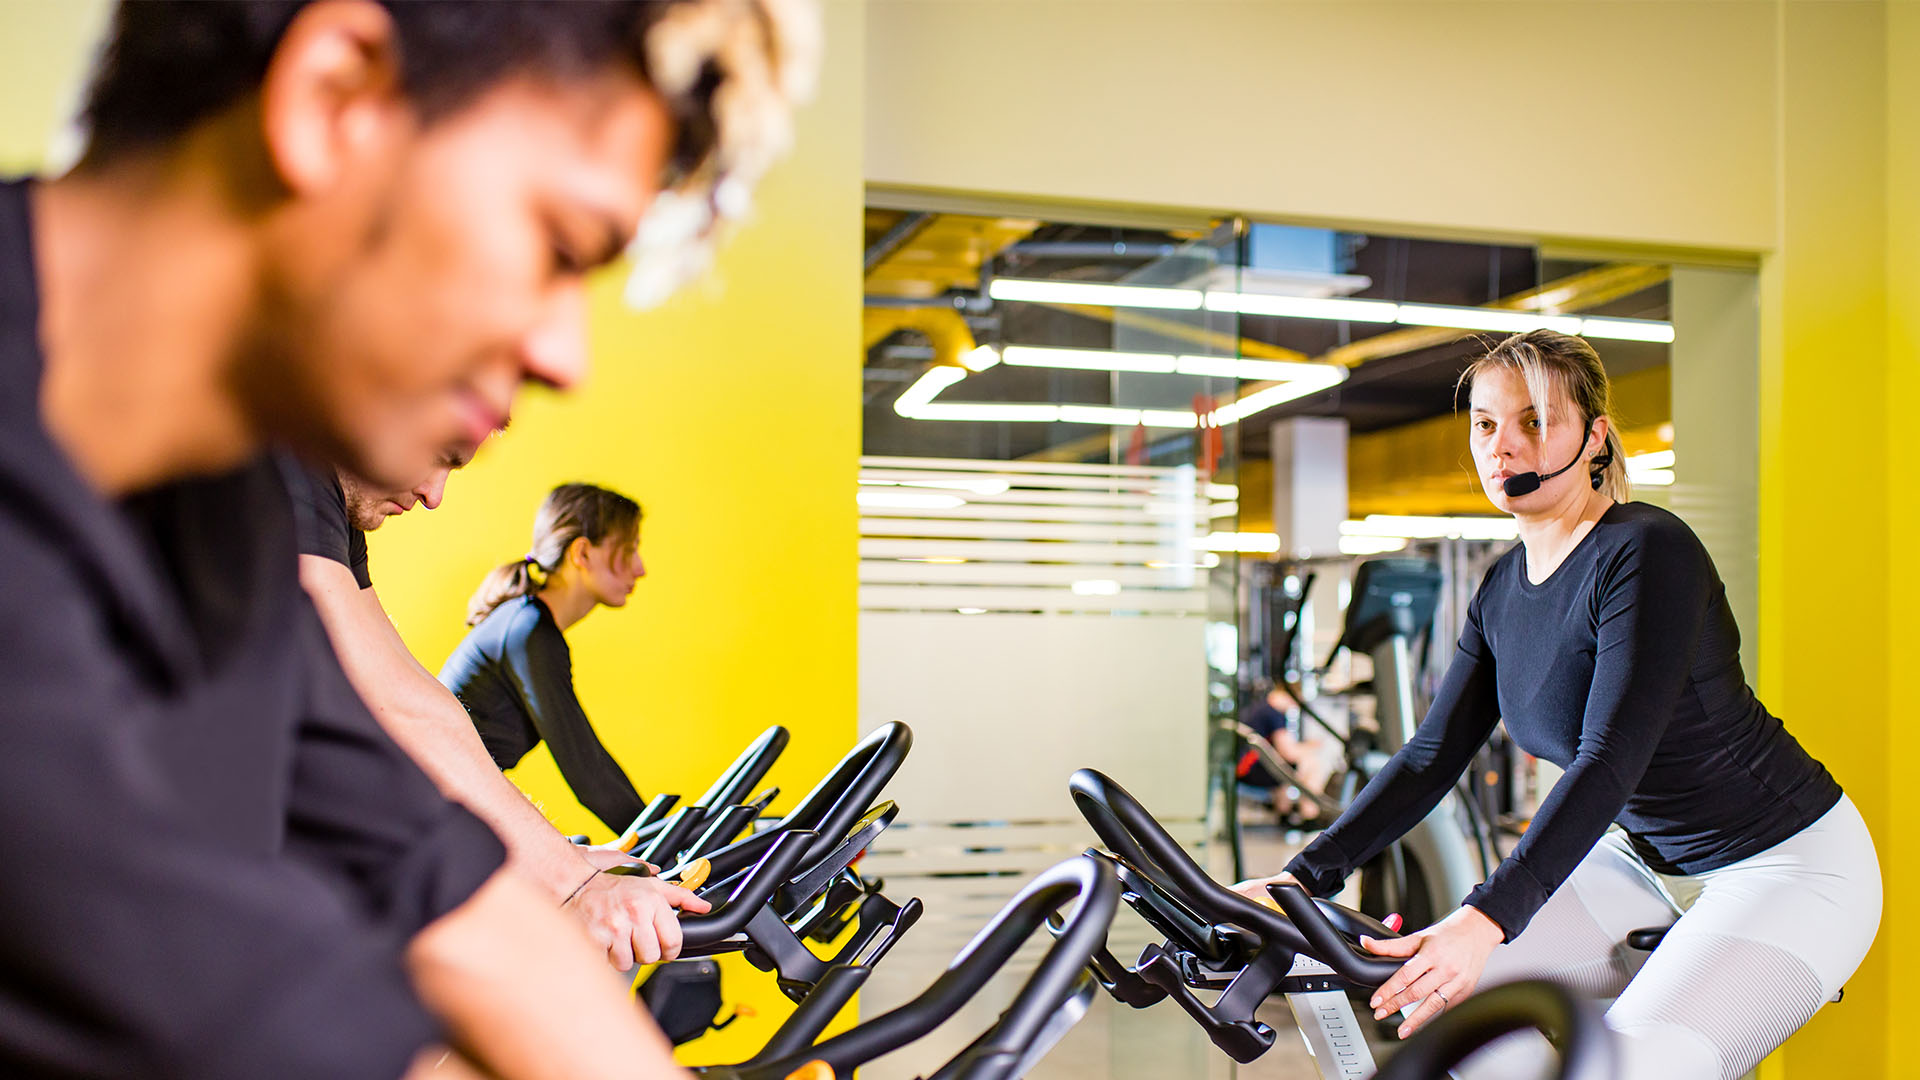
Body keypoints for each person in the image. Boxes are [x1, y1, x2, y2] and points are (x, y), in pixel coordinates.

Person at [0, 1, 814, 1077]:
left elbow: (441, 890)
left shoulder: (222, 500)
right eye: (557, 247)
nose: (563, 355)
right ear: (336, 98)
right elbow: (220, 1003)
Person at [1231, 330, 1879, 1079]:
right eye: (1485, 424)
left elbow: (1609, 759)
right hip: (1637, 861)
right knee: (1455, 1022)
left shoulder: (1647, 552)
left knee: (1621, 1066)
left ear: (1595, 435)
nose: (1504, 446)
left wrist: (1487, 919)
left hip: (1788, 866)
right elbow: (1430, 757)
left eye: (1535, 421)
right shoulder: (1502, 587)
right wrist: (1302, 879)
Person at [292, 450, 706, 971]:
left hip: (411, 821)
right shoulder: (526, 629)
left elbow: (416, 697)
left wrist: (562, 859)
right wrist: (579, 878)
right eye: (628, 550)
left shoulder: (331, 506)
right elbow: (583, 767)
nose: (434, 496)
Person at [442, 483, 651, 834]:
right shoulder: (529, 632)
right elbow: (590, 774)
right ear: (582, 553)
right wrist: (682, 852)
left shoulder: (527, 624)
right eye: (629, 550)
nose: (641, 568)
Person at [1235, 682, 1335, 827]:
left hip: (1243, 767)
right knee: (1311, 763)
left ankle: (1284, 812)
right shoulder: (1274, 714)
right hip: (1249, 771)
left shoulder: (1260, 707)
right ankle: (1309, 816)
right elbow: (1288, 753)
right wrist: (1312, 746)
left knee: (1285, 767)